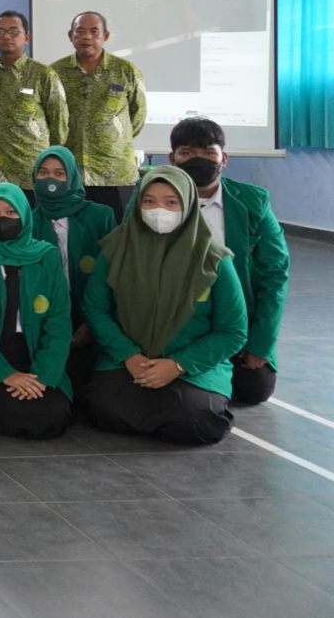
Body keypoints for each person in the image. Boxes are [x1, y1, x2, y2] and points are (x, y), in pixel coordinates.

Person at [82, 167, 248, 446]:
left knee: (195, 419)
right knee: (104, 408)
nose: (159, 210)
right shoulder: (116, 247)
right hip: (128, 361)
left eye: (171, 202)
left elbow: (233, 331)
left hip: (193, 366)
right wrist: (129, 355)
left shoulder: (213, 258)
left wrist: (178, 364)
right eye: (149, 201)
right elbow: (95, 308)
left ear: (189, 204)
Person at [168, 117, 289, 405]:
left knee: (254, 388)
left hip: (233, 320)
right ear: (172, 159)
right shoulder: (150, 198)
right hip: (173, 318)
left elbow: (274, 274)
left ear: (224, 159)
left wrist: (261, 342)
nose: (198, 160)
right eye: (187, 152)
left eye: (208, 152)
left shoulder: (253, 201)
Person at [0, 184, 75, 438]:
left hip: (35, 354)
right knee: (13, 412)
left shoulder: (45, 255)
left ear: (24, 214)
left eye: (11, 212)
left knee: (52, 415)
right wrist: (5, 374)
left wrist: (43, 376)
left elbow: (59, 321)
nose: (2, 219)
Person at [29, 146, 117, 396]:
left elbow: (111, 276)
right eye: (43, 173)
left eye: (60, 173)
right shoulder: (29, 221)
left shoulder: (100, 216)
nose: (51, 180)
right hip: (48, 320)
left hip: (94, 315)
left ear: (73, 177)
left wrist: (91, 324)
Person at [51, 11, 146, 216]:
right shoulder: (55, 72)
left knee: (117, 229)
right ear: (71, 36)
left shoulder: (126, 70)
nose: (87, 36)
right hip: (69, 172)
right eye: (80, 31)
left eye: (94, 31)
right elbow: (49, 117)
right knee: (71, 229)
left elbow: (138, 116)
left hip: (115, 171)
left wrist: (112, 140)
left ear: (106, 36)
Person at [0, 10, 68, 192]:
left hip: (32, 168)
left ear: (26, 38)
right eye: (0, 31)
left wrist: (53, 160)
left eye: (13, 31)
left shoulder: (43, 74)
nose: (7, 36)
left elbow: (59, 122)